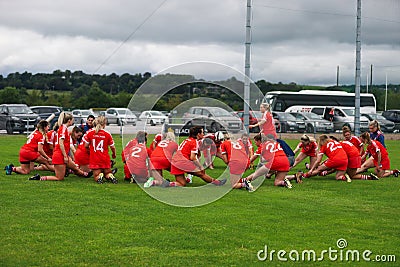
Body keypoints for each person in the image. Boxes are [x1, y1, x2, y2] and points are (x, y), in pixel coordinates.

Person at [28, 112, 92, 181]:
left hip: (61, 154)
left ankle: (86, 174)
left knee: (75, 168)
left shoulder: (63, 128)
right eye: (73, 119)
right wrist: (65, 156)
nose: (73, 121)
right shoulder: (63, 129)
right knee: (59, 178)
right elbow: (61, 143)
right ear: (69, 120)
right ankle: (39, 178)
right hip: (59, 155)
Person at [84, 116, 117, 184]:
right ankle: (110, 176)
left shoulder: (90, 133)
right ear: (104, 124)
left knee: (96, 175)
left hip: (95, 158)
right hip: (105, 158)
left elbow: (86, 145)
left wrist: (90, 150)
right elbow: (112, 147)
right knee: (108, 172)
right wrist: (114, 154)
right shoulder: (107, 134)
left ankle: (100, 176)